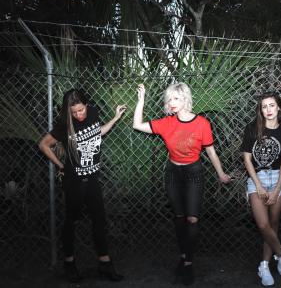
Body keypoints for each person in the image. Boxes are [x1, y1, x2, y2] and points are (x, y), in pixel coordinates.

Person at [132, 82, 231, 285]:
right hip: (173, 173)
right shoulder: (167, 123)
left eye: (176, 98)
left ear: (186, 99)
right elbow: (137, 125)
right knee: (179, 217)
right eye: (169, 99)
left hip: (193, 172)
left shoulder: (202, 123)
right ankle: (184, 255)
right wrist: (141, 101)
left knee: (192, 219)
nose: (172, 103)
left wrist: (221, 173)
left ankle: (188, 261)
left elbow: (211, 151)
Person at [38, 89, 126, 283]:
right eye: (74, 112)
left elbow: (98, 132)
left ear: (86, 104)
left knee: (99, 221)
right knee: (71, 221)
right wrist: (60, 165)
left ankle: (105, 263)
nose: (79, 115)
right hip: (74, 181)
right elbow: (43, 144)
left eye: (81, 110)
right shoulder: (64, 125)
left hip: (92, 178)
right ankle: (69, 263)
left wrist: (115, 118)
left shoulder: (93, 112)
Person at [241, 91, 281, 286]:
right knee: (263, 225)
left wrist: (277, 189)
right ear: (260, 110)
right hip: (257, 178)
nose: (268, 110)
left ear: (278, 107)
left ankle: (264, 264)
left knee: (272, 225)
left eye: (272, 105)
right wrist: (258, 186)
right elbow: (247, 159)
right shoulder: (252, 129)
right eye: (264, 106)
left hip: (278, 180)